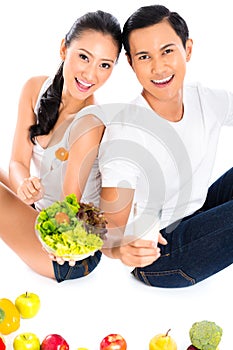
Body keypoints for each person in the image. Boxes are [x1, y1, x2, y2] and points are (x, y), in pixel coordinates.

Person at [99, 4, 233, 288]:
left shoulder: (206, 99)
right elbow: (110, 227)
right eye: (144, 56)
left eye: (168, 51)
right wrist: (122, 249)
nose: (158, 68)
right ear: (131, 63)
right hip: (160, 255)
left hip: (196, 214)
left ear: (188, 49)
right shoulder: (126, 131)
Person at [0, 10, 122, 282]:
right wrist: (23, 184)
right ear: (64, 48)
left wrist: (60, 243)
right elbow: (17, 162)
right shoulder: (34, 88)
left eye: (105, 65)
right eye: (84, 57)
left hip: (67, 250)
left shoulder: (90, 122)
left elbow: (70, 206)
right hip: (40, 211)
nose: (91, 74)